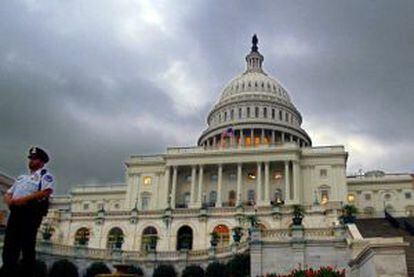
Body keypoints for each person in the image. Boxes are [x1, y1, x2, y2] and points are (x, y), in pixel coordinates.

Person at [0, 147, 55, 277]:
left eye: (34, 159)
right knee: (10, 243)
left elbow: (46, 191)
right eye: (30, 158)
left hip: (31, 212)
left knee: (27, 244)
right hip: (16, 212)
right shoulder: (21, 178)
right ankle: (7, 270)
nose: (31, 161)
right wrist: (9, 200)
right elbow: (9, 192)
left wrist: (23, 200)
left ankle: (27, 272)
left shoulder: (44, 176)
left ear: (41, 162)